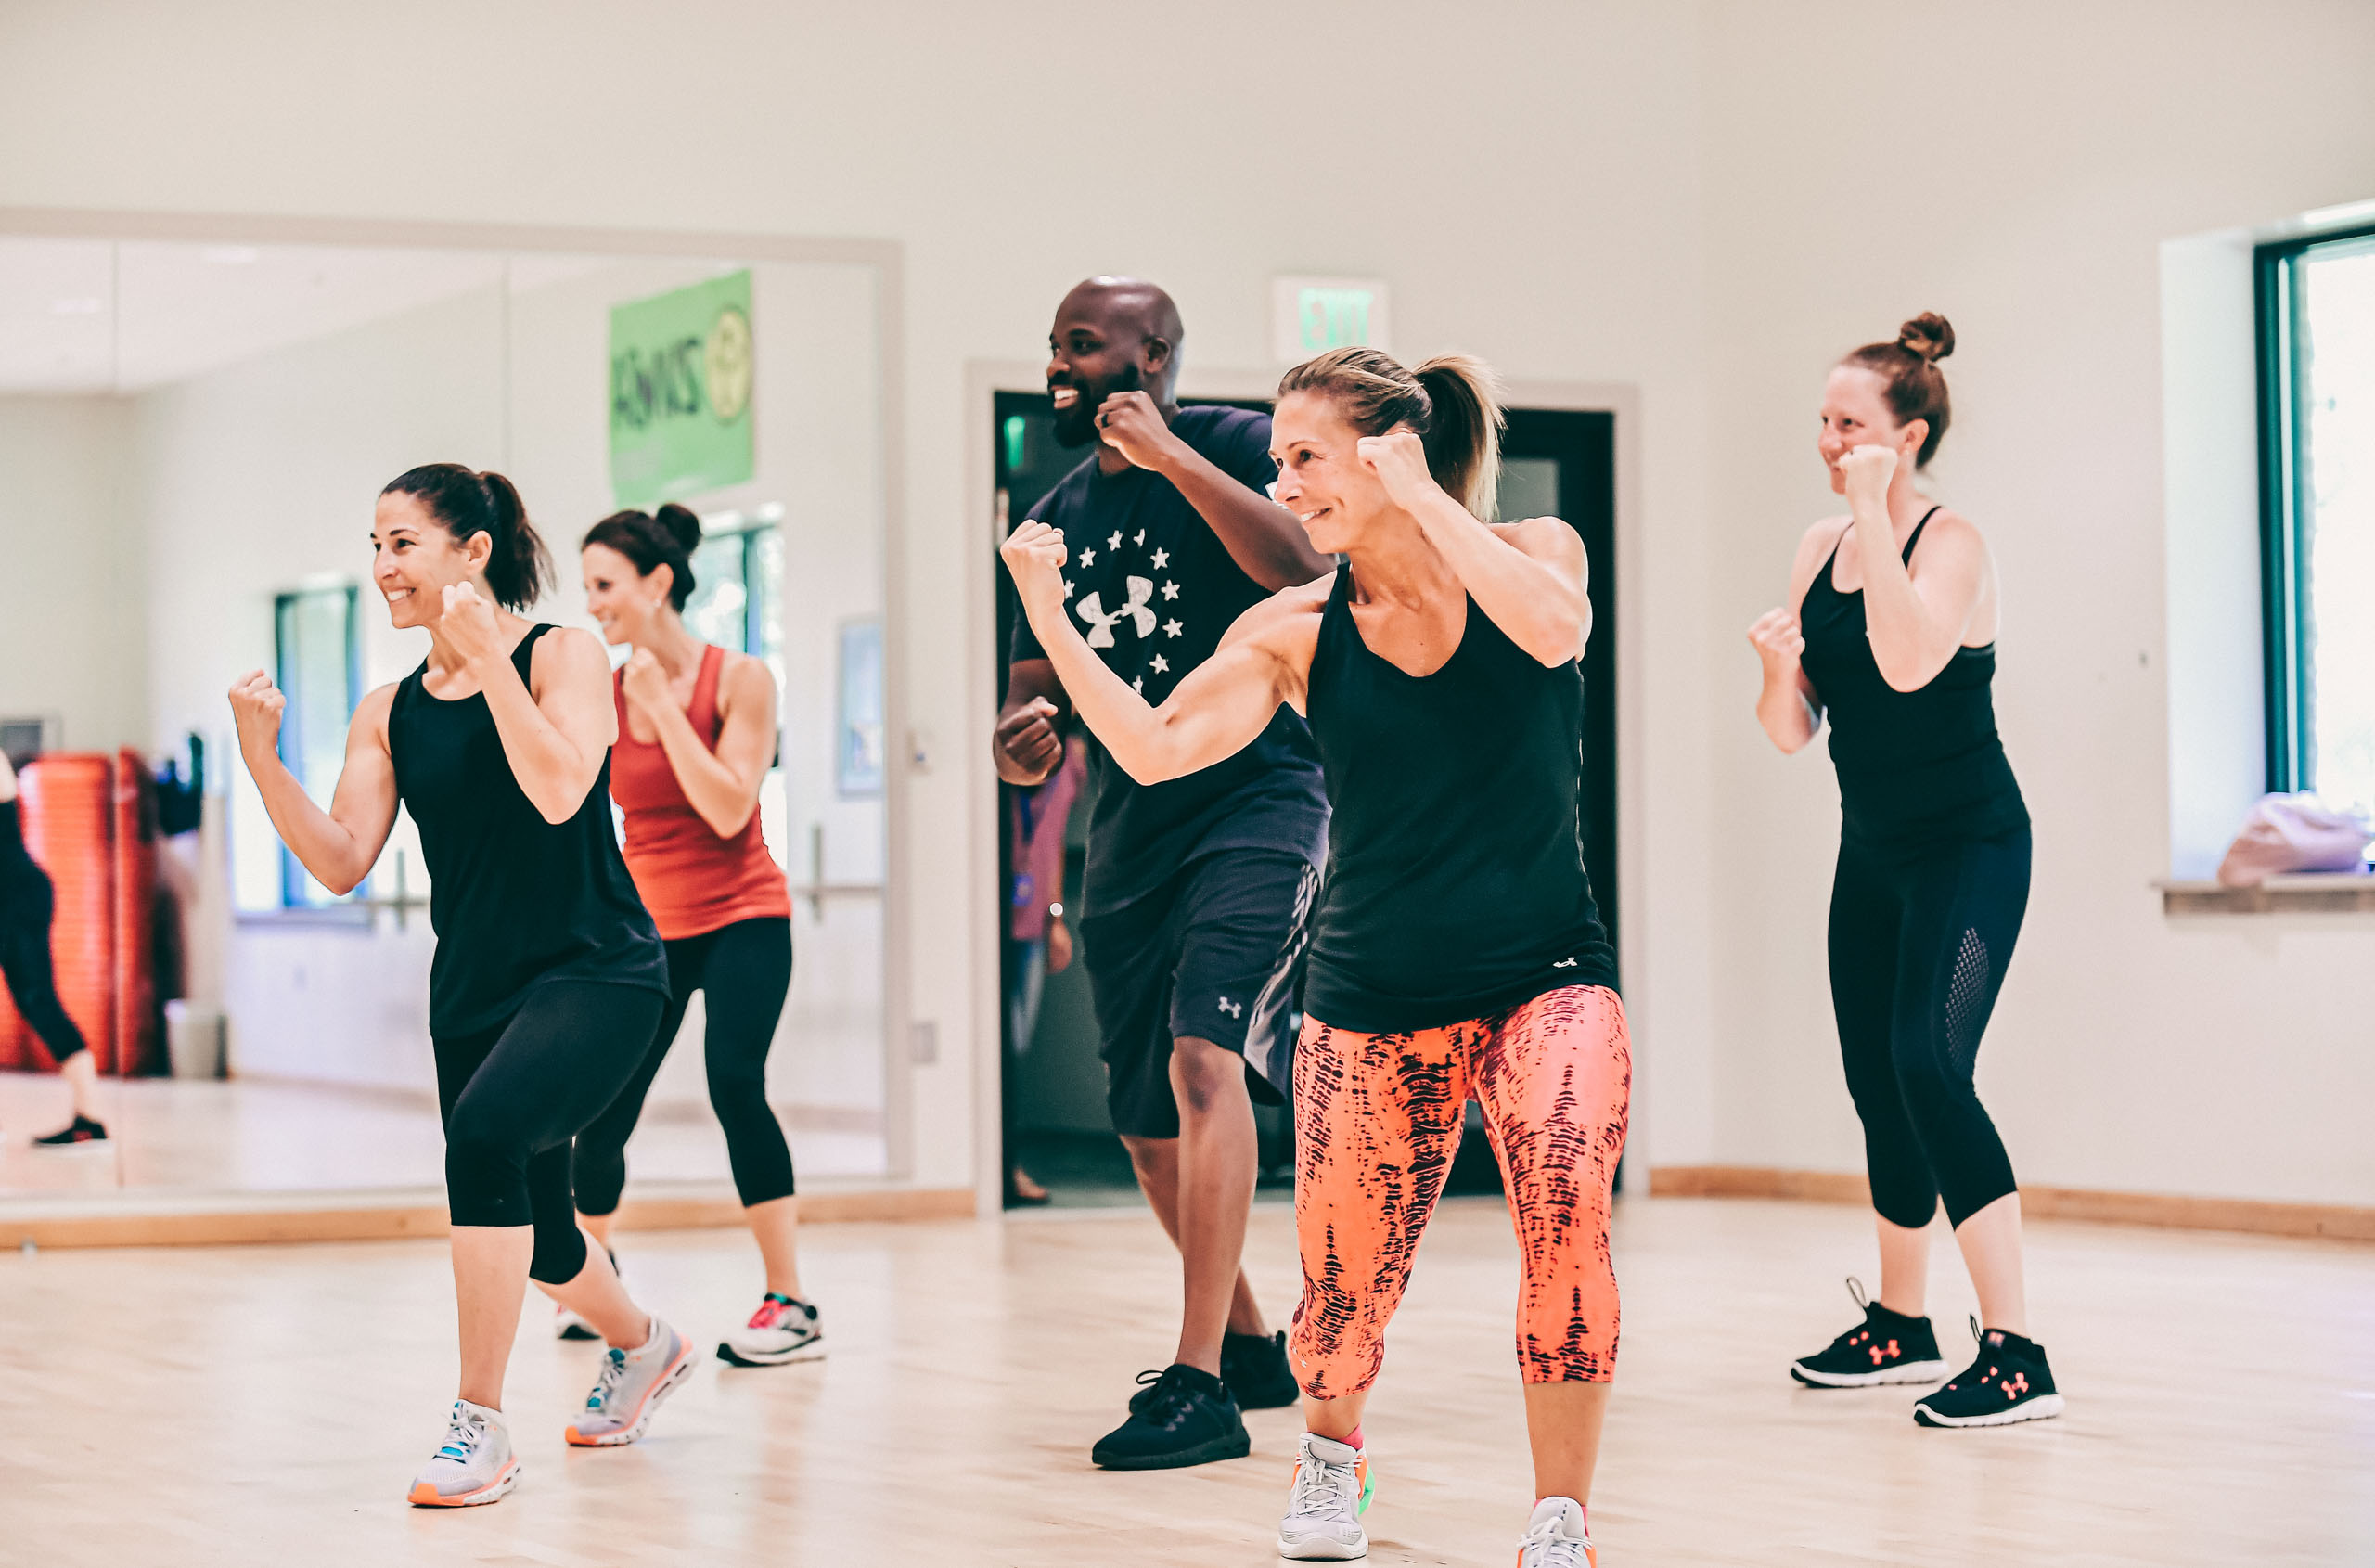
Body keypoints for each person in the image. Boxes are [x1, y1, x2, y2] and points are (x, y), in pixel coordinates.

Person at [1002, 347, 1628, 1566]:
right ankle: (1332, 1459)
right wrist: (1044, 614)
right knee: (1343, 1300)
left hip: (1548, 973)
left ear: (1391, 450)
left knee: (1566, 1213)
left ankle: (1562, 1516)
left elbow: (1556, 636)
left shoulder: (1537, 554)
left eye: (1304, 458)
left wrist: (1429, 495)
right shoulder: (1294, 626)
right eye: (1279, 458)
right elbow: (1154, 745)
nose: (1283, 486)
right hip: (1369, 993)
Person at [230, 464, 693, 1509]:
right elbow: (344, 856)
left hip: (601, 969)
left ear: (472, 554)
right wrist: (265, 763)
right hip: (475, 991)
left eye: (404, 544)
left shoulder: (564, 653)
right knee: (542, 1227)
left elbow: (561, 786)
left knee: (483, 1141)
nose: (384, 567)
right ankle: (645, 1342)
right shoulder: (388, 709)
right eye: (377, 544)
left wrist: (492, 669)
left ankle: (478, 1424)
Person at [994, 276, 1329, 1469]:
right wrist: (1016, 734)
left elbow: (1303, 566)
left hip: (1263, 796)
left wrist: (1172, 455)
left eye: (1083, 345)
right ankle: (1241, 1337)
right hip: (1129, 822)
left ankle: (1196, 1386)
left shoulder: (1239, 446)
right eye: (1055, 345)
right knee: (1141, 1125)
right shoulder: (1057, 508)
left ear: (1155, 355)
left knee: (1205, 1058)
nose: (1061, 363)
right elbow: (1036, 682)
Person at [1747, 314, 2060, 1429]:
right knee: (1877, 1082)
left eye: (1851, 426)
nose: (1829, 443)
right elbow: (1795, 732)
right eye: (1822, 423)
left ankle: (2018, 1352)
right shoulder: (1816, 546)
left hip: (1970, 848)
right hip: (1870, 849)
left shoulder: (1950, 541)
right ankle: (1900, 1323)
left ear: (1908, 434)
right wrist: (1775, 669)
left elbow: (1909, 658)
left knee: (1929, 1065)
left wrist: (1874, 510)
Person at [570, 502, 819, 1369]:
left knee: (735, 1085)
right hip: (649, 928)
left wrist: (664, 711)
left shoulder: (741, 679)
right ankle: (591, 1274)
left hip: (746, 913)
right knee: (602, 1109)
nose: (593, 603)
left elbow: (726, 805)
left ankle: (791, 1301)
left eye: (605, 585)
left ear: (656, 584)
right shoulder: (599, 690)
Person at [0, 751, 109, 1148]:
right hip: (15, 895)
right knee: (37, 1002)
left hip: (17, 895)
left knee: (40, 1002)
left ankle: (90, 1119)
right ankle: (89, 1119)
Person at [1006, 733, 1087, 1205]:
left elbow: (1053, 839)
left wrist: (1056, 918)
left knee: (1017, 1044)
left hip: (1034, 917)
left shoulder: (1071, 758)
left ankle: (1009, 1161)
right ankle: (1001, 1164)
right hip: (989, 921)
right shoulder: (1009, 744)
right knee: (997, 1049)